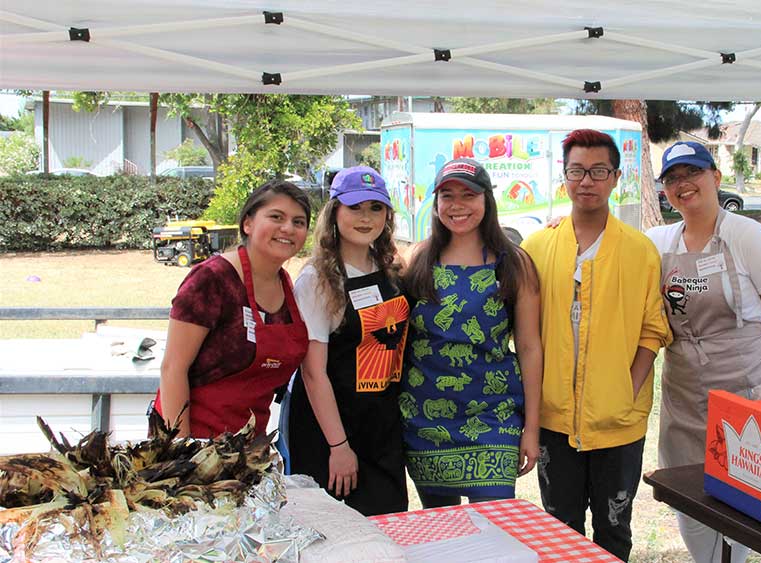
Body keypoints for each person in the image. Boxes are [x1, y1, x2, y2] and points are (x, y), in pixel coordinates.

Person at [647, 141, 761, 563]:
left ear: (715, 177)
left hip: (746, 391)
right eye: (673, 179)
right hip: (685, 395)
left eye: (693, 173)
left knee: (747, 500)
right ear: (665, 191)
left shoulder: (746, 235)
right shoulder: (660, 242)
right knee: (688, 493)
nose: (684, 184)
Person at [521, 129, 671, 562]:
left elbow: (652, 329)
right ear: (563, 176)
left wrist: (628, 387)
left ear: (615, 177)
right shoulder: (536, 248)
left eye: (598, 171)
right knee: (559, 527)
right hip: (554, 419)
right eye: (577, 171)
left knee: (613, 529)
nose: (587, 181)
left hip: (618, 422)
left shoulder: (640, 251)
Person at [401, 158, 542, 508]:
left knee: (496, 528)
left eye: (469, 194)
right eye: (447, 195)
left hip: (494, 417)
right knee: (443, 533)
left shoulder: (513, 262)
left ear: (487, 200)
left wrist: (532, 427)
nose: (457, 205)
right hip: (425, 422)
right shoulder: (416, 259)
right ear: (435, 204)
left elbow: (529, 346)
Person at [284, 166, 410, 516]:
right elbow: (313, 373)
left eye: (375, 207)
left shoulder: (389, 268)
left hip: (381, 426)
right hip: (331, 431)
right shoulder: (317, 279)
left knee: (389, 528)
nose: (365, 218)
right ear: (334, 212)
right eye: (354, 207)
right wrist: (338, 446)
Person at [154, 179, 311, 438]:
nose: (288, 228)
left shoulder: (285, 285)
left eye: (299, 222)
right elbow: (173, 368)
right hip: (195, 444)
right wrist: (181, 451)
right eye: (276, 216)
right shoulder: (212, 279)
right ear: (248, 224)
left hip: (246, 447)